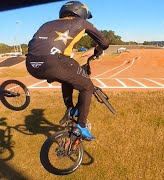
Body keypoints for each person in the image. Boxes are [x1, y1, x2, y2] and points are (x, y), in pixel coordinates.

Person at [26, 1, 109, 139]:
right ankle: (81, 126)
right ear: (81, 12)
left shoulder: (46, 24)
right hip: (54, 62)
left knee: (67, 75)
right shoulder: (82, 22)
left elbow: (33, 43)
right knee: (87, 87)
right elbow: (104, 43)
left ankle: (70, 108)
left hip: (31, 64)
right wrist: (98, 50)